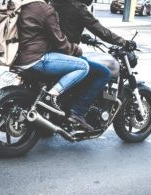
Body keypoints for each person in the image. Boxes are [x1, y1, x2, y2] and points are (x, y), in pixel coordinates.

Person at [50, 0, 136, 128]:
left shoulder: (56, 3)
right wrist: (123, 42)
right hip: (67, 54)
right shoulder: (78, 7)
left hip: (53, 52)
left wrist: (82, 37)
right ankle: (78, 111)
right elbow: (100, 30)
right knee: (103, 73)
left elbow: (64, 26)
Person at [16, 0, 94, 130]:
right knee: (83, 66)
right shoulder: (46, 10)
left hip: (19, 58)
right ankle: (50, 97)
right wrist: (76, 49)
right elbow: (60, 41)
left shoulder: (23, 6)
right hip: (37, 58)